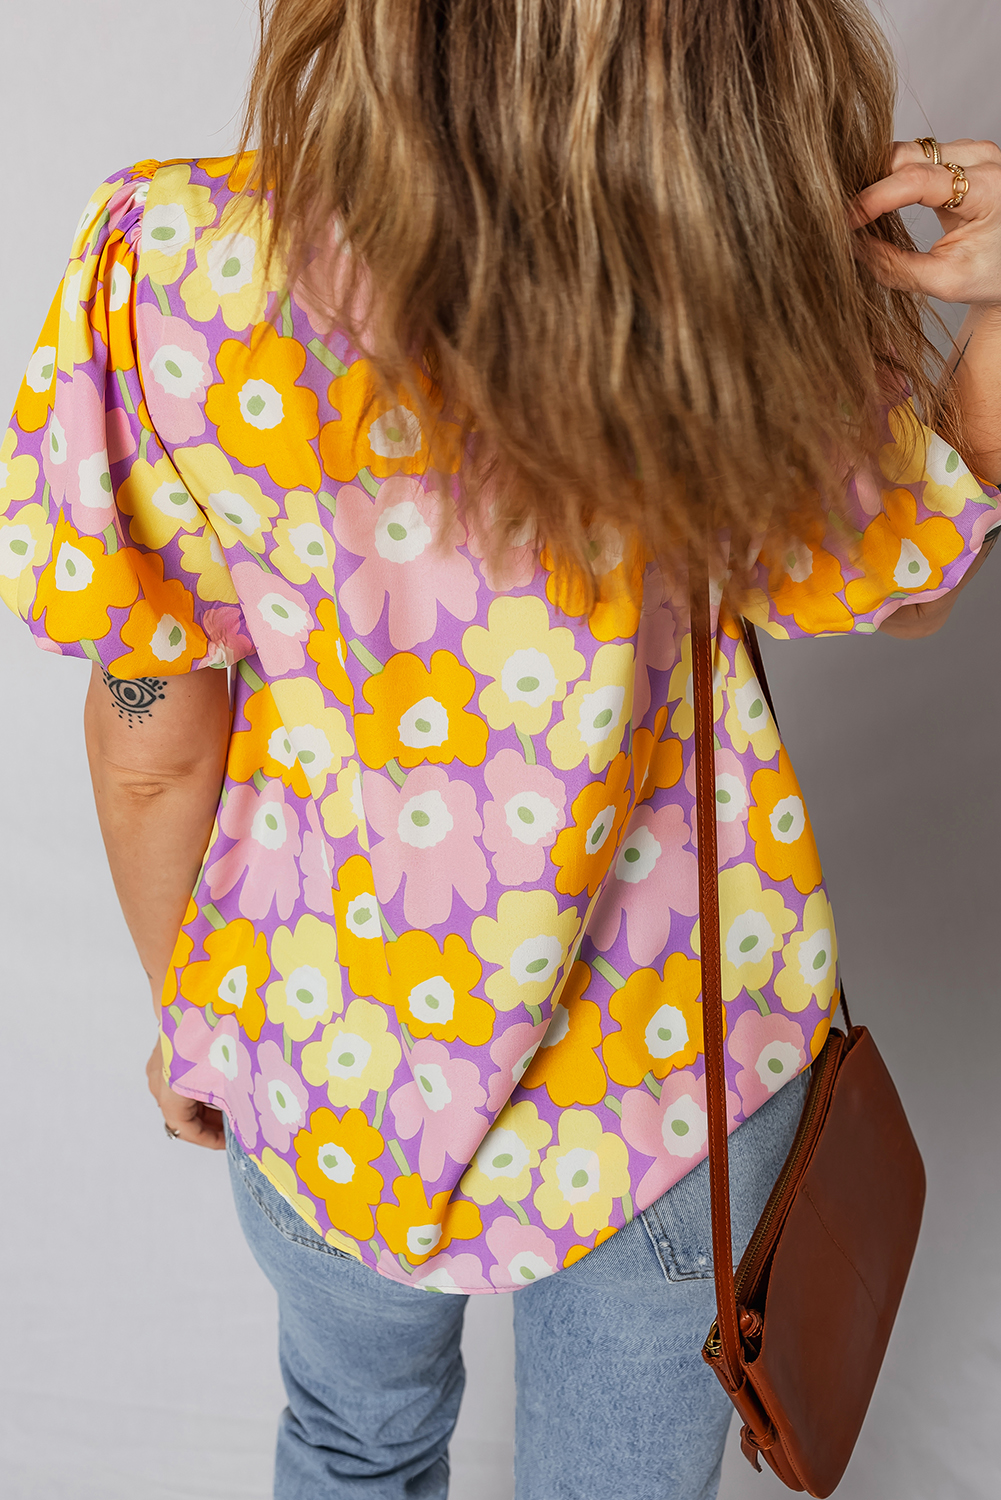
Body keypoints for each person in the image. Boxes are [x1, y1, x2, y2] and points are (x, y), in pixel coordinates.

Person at [2, 1, 1000, 1496]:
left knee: (348, 1443)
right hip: (676, 1080)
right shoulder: (725, 264)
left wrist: (189, 1014)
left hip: (319, 1050)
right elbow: (907, 580)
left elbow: (152, 739)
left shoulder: (175, 262)